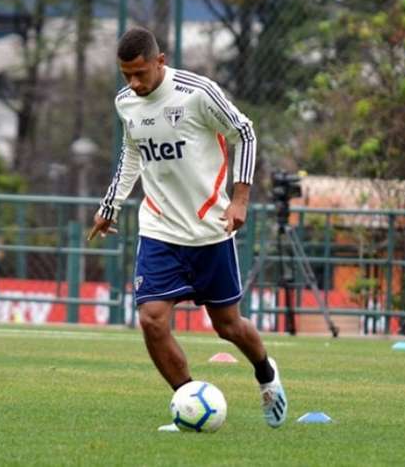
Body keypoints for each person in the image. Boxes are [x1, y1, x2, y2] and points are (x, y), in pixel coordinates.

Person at [88, 27, 287, 430]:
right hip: (159, 229)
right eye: (126, 74)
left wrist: (241, 199)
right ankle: (190, 403)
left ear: (160, 61)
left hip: (209, 231)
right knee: (151, 319)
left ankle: (266, 373)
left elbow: (244, 132)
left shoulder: (197, 93)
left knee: (228, 326)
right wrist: (110, 205)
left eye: (141, 73)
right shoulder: (126, 102)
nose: (134, 83)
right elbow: (131, 152)